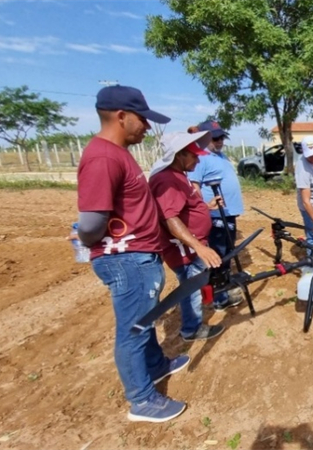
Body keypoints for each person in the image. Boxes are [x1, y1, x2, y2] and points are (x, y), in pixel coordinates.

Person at [76, 85, 189, 423]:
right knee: (134, 329)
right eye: (143, 119)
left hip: (139, 256)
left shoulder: (117, 153)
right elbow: (92, 221)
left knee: (145, 321)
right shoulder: (103, 156)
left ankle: (156, 366)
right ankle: (142, 399)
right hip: (127, 259)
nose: (147, 127)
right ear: (121, 116)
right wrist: (84, 234)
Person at [149, 131, 225, 342]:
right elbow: (169, 218)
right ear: (180, 155)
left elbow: (184, 210)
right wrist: (198, 247)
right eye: (193, 155)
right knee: (190, 288)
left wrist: (205, 208)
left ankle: (196, 319)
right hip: (183, 249)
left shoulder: (178, 175)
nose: (198, 159)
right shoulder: (166, 180)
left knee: (195, 284)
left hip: (192, 245)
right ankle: (191, 329)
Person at [188, 121, 245, 311]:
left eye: (221, 137)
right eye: (215, 138)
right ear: (204, 138)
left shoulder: (220, 155)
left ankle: (224, 289)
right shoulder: (201, 158)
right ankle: (219, 298)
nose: (220, 141)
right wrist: (205, 208)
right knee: (219, 256)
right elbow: (194, 188)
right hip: (215, 215)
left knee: (227, 254)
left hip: (228, 213)